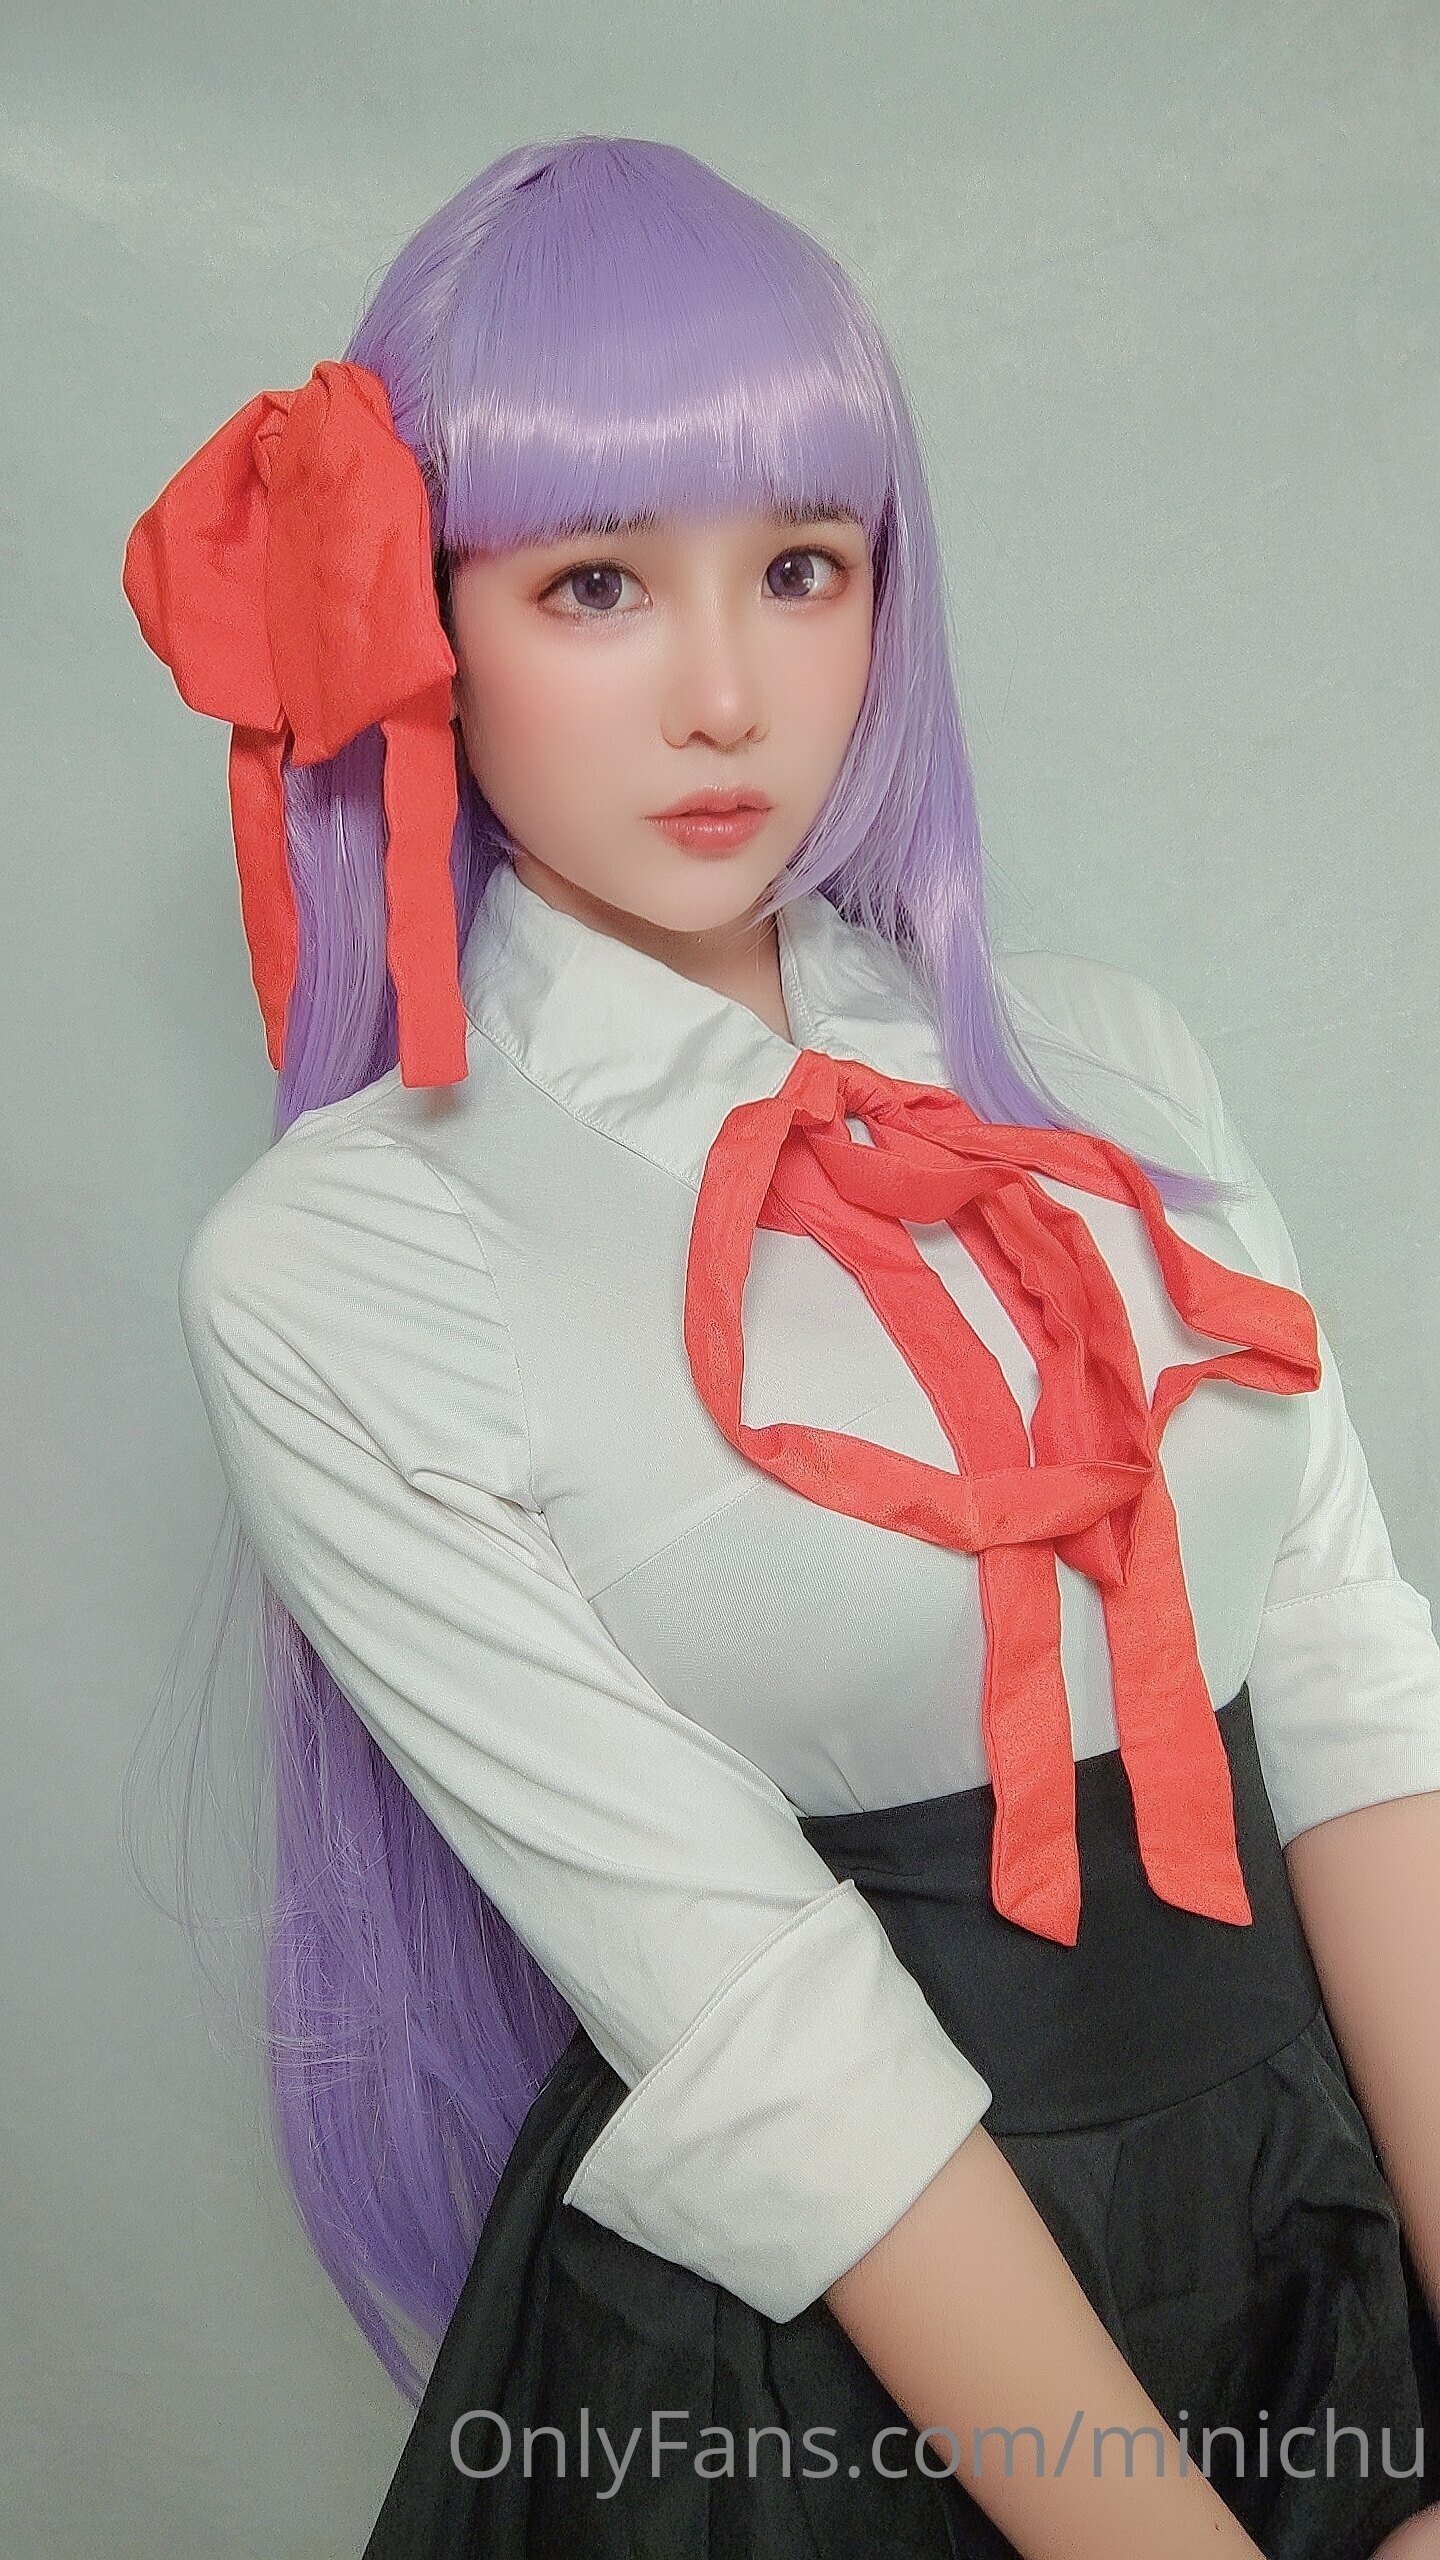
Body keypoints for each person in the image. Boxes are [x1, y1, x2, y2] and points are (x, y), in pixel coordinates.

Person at [122, 136, 1440, 2559]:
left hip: (1316, 2232)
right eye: (596, 582)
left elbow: (1353, 1684)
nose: (726, 694)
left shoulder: (1110, 1060)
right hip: (842, 2395)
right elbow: (755, 2007)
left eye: (803, 568)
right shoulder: (348, 1259)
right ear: (422, 628)